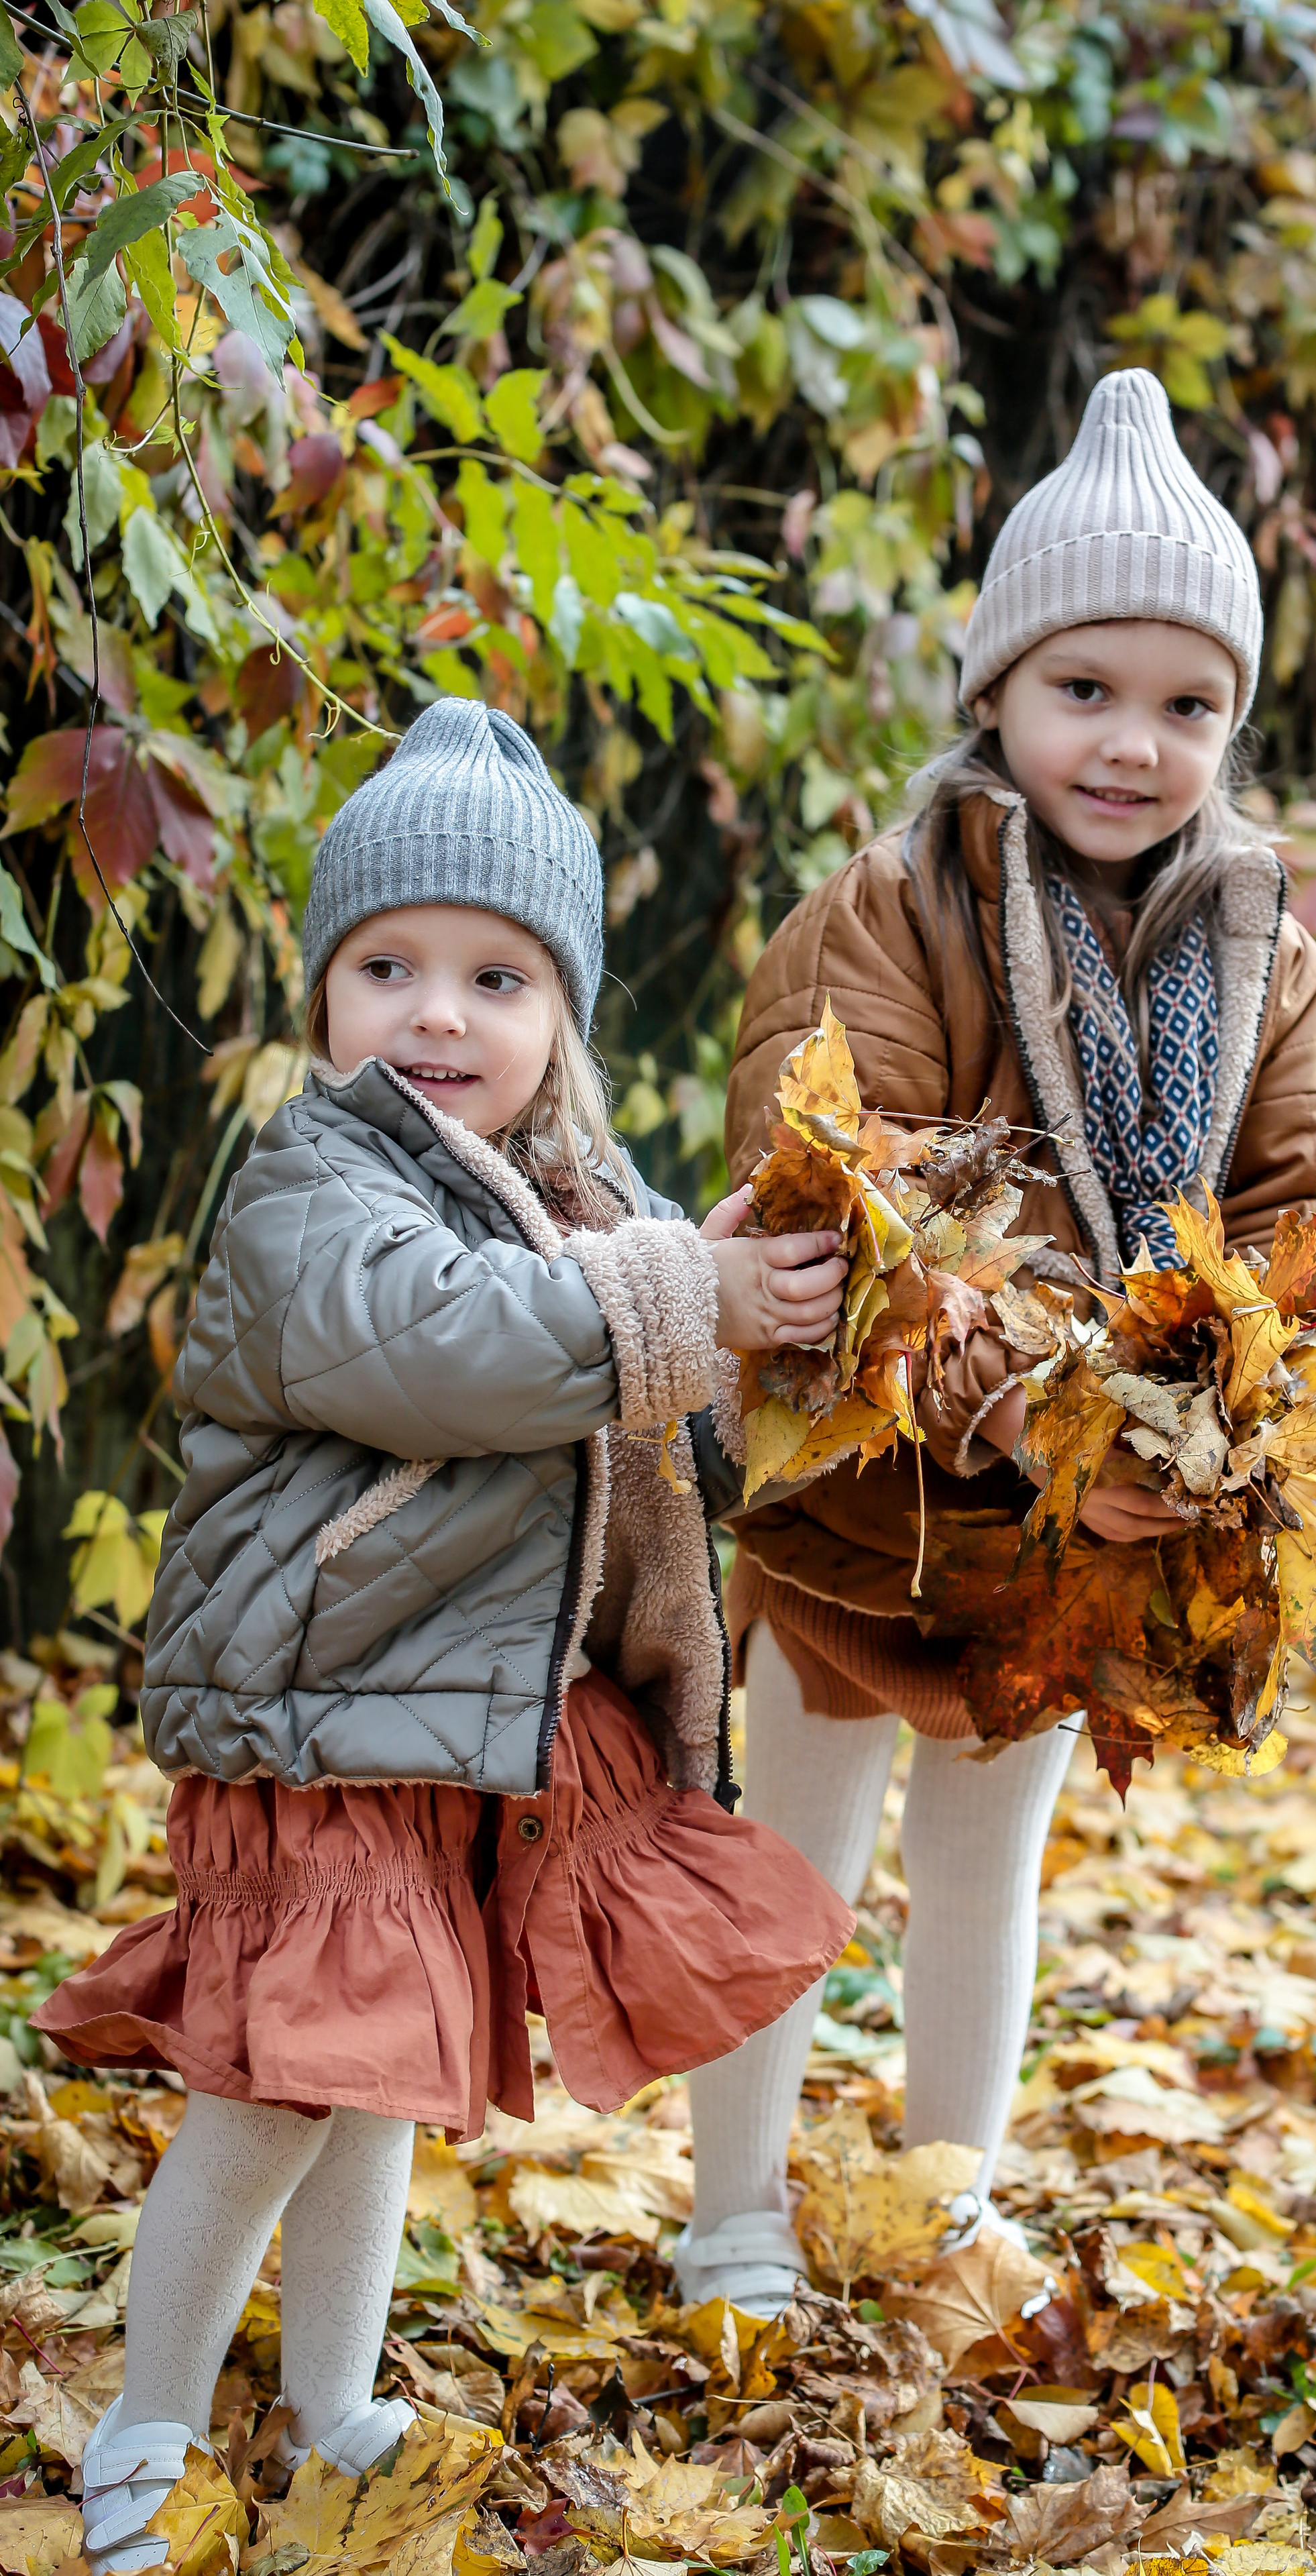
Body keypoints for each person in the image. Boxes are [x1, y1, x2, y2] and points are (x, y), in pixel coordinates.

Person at [37, 702, 855, 2576]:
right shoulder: (314, 1191)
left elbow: (666, 1418)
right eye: (387, 967)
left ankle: (333, 2402)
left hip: (450, 1726)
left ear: (562, 1012)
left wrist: (754, 1321)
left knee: (377, 2086)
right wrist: (686, 1291)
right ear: (325, 993)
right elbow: (454, 1348)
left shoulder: (581, 1200)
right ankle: (149, 2423)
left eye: (498, 978)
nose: (438, 1014)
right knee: (276, 2098)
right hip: (315, 1719)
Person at [673, 368, 1316, 2314]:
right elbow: (850, 1188)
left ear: (1232, 725)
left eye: (1188, 705)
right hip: (875, 1494)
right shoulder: (891, 911)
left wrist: (1223, 1431)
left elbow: (1314, 1214)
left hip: (1088, 1533)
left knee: (989, 1869)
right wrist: (1047, 1414)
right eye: (1087, 689)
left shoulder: (1267, 955)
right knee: (798, 1868)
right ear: (996, 692)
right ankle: (734, 2213)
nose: (1135, 744)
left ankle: (948, 2204)